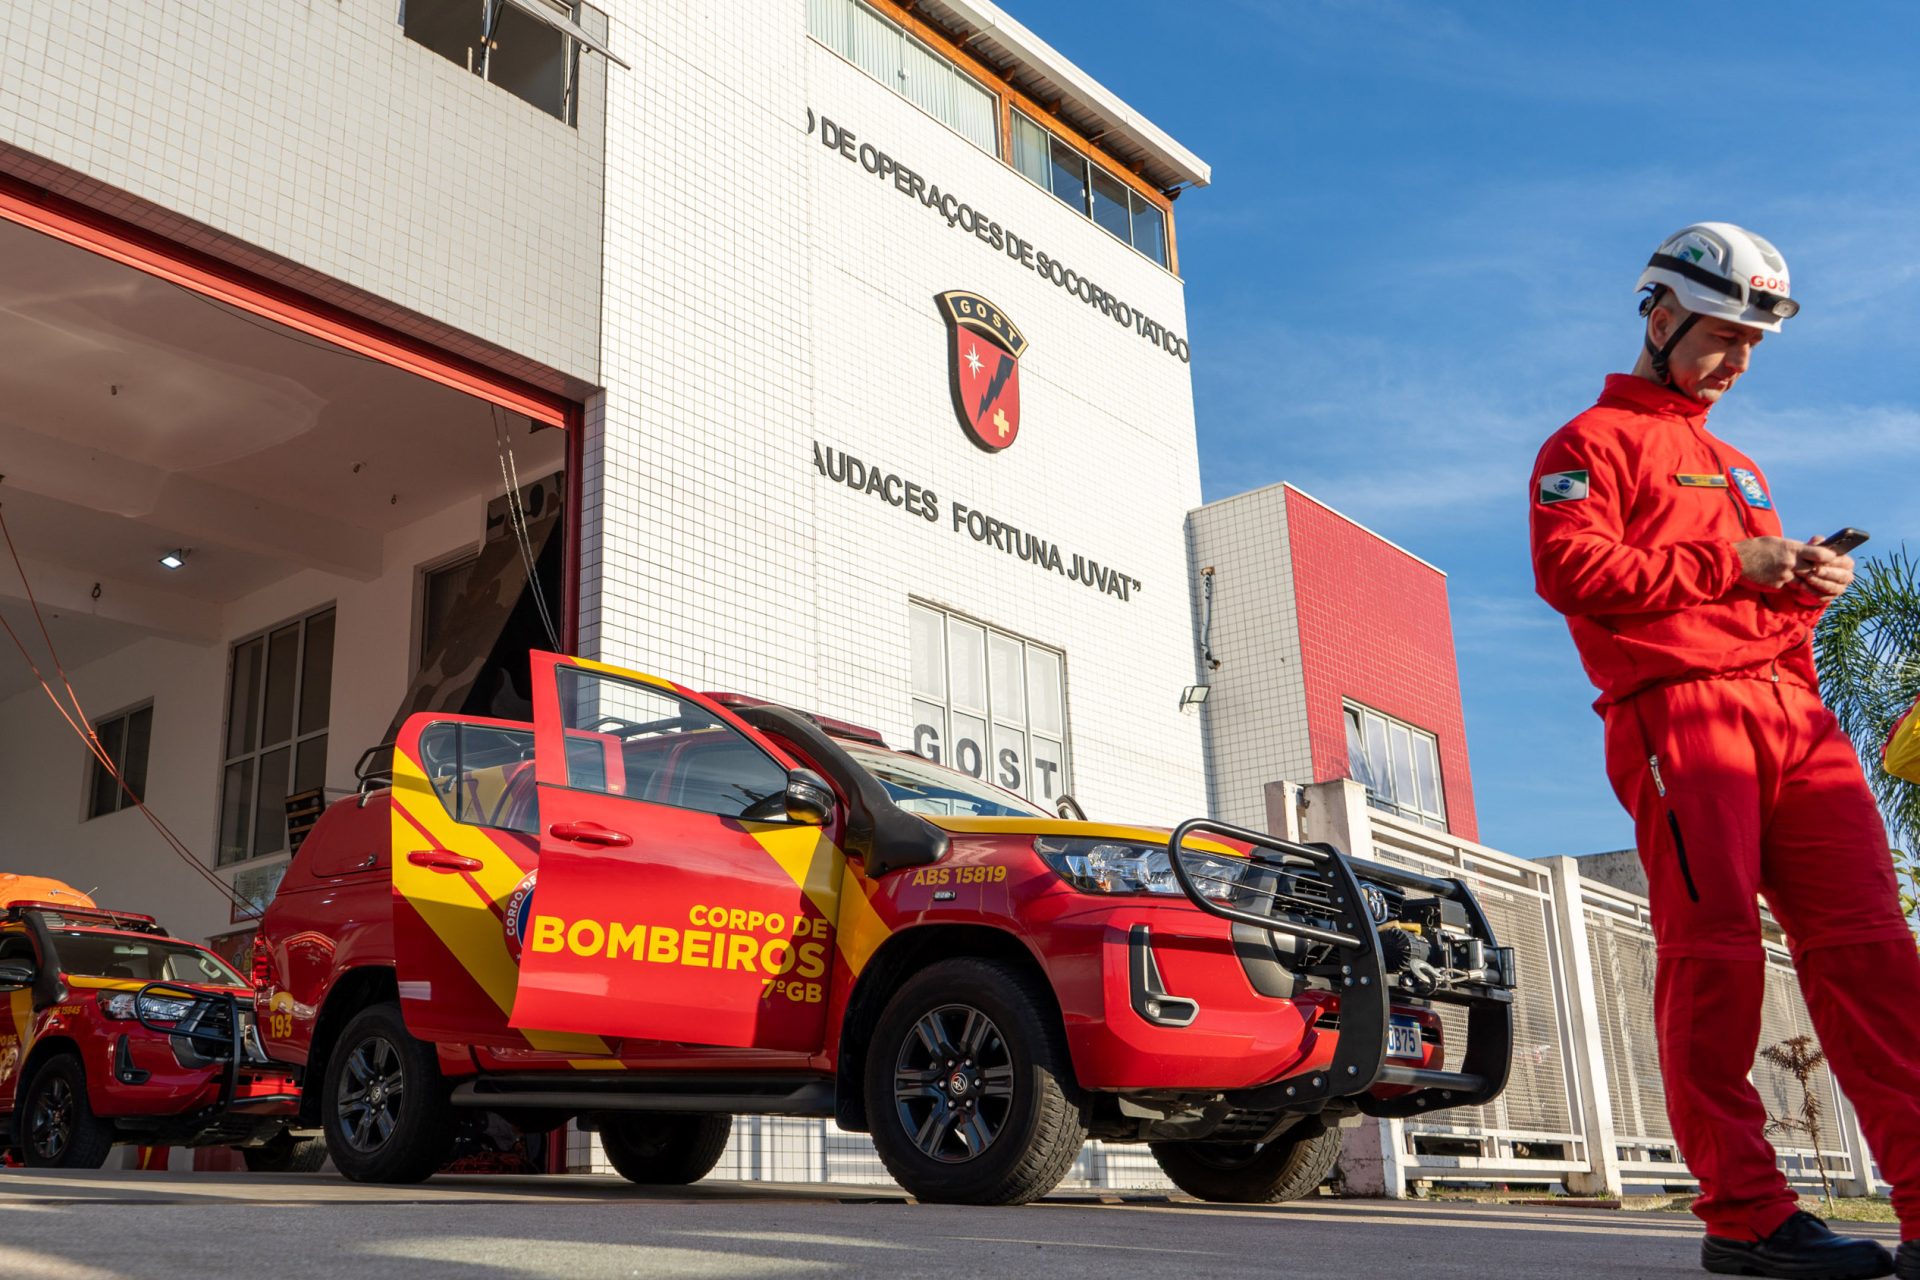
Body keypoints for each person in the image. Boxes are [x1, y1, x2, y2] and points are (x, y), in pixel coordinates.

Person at [1530, 223, 1920, 1280]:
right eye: (1723, 337)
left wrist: (1797, 582)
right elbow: (1574, 571)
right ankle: (1745, 1215)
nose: (1740, 363)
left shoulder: (1739, 464)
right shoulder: (1587, 443)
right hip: (1683, 717)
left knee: (1878, 957)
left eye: (1755, 343)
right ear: (1659, 316)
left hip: (1794, 715)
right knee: (1716, 963)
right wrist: (1735, 556)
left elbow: (1745, 590)